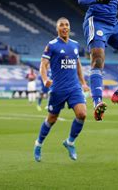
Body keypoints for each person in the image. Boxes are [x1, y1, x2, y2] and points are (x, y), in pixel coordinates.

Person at [34, 17, 90, 162]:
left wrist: (83, 82)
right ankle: (38, 144)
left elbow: (77, 65)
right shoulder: (52, 45)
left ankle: (70, 142)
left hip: (74, 88)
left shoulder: (75, 45)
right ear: (57, 28)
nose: (65, 27)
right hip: (58, 89)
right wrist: (45, 79)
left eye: (67, 25)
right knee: (52, 118)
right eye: (62, 25)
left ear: (69, 27)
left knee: (82, 114)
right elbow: (43, 65)